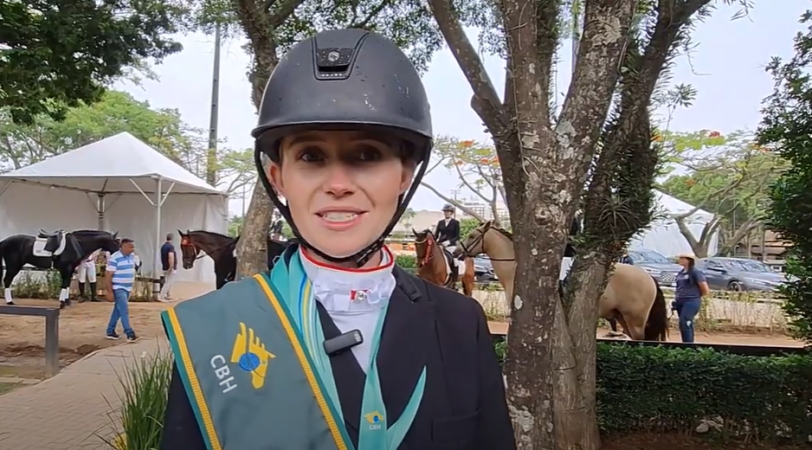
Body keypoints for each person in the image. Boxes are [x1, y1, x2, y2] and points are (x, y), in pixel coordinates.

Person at [159, 29, 515, 450]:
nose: (339, 184)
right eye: (311, 156)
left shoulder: (461, 323)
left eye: (366, 155)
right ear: (278, 177)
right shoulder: (215, 329)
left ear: (404, 175)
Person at [105, 238, 138, 342]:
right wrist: (110, 292)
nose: (132, 249)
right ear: (123, 247)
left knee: (118, 310)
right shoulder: (115, 258)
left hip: (127, 288)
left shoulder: (132, 256)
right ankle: (129, 332)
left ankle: (110, 331)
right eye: (130, 247)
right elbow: (108, 275)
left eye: (133, 247)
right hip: (119, 287)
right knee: (124, 310)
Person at [674, 252, 710, 343]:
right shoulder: (681, 273)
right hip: (680, 301)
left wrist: (695, 296)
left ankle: (688, 344)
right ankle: (686, 342)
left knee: (685, 322)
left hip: (691, 301)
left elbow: (705, 289)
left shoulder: (695, 272)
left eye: (682, 258)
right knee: (683, 324)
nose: (680, 260)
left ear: (688, 260)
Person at [159, 233, 177, 302]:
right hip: (169, 267)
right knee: (168, 282)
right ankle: (162, 296)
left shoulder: (163, 246)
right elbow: (171, 256)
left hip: (164, 266)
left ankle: (167, 295)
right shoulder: (171, 247)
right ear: (172, 239)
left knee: (167, 281)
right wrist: (171, 266)